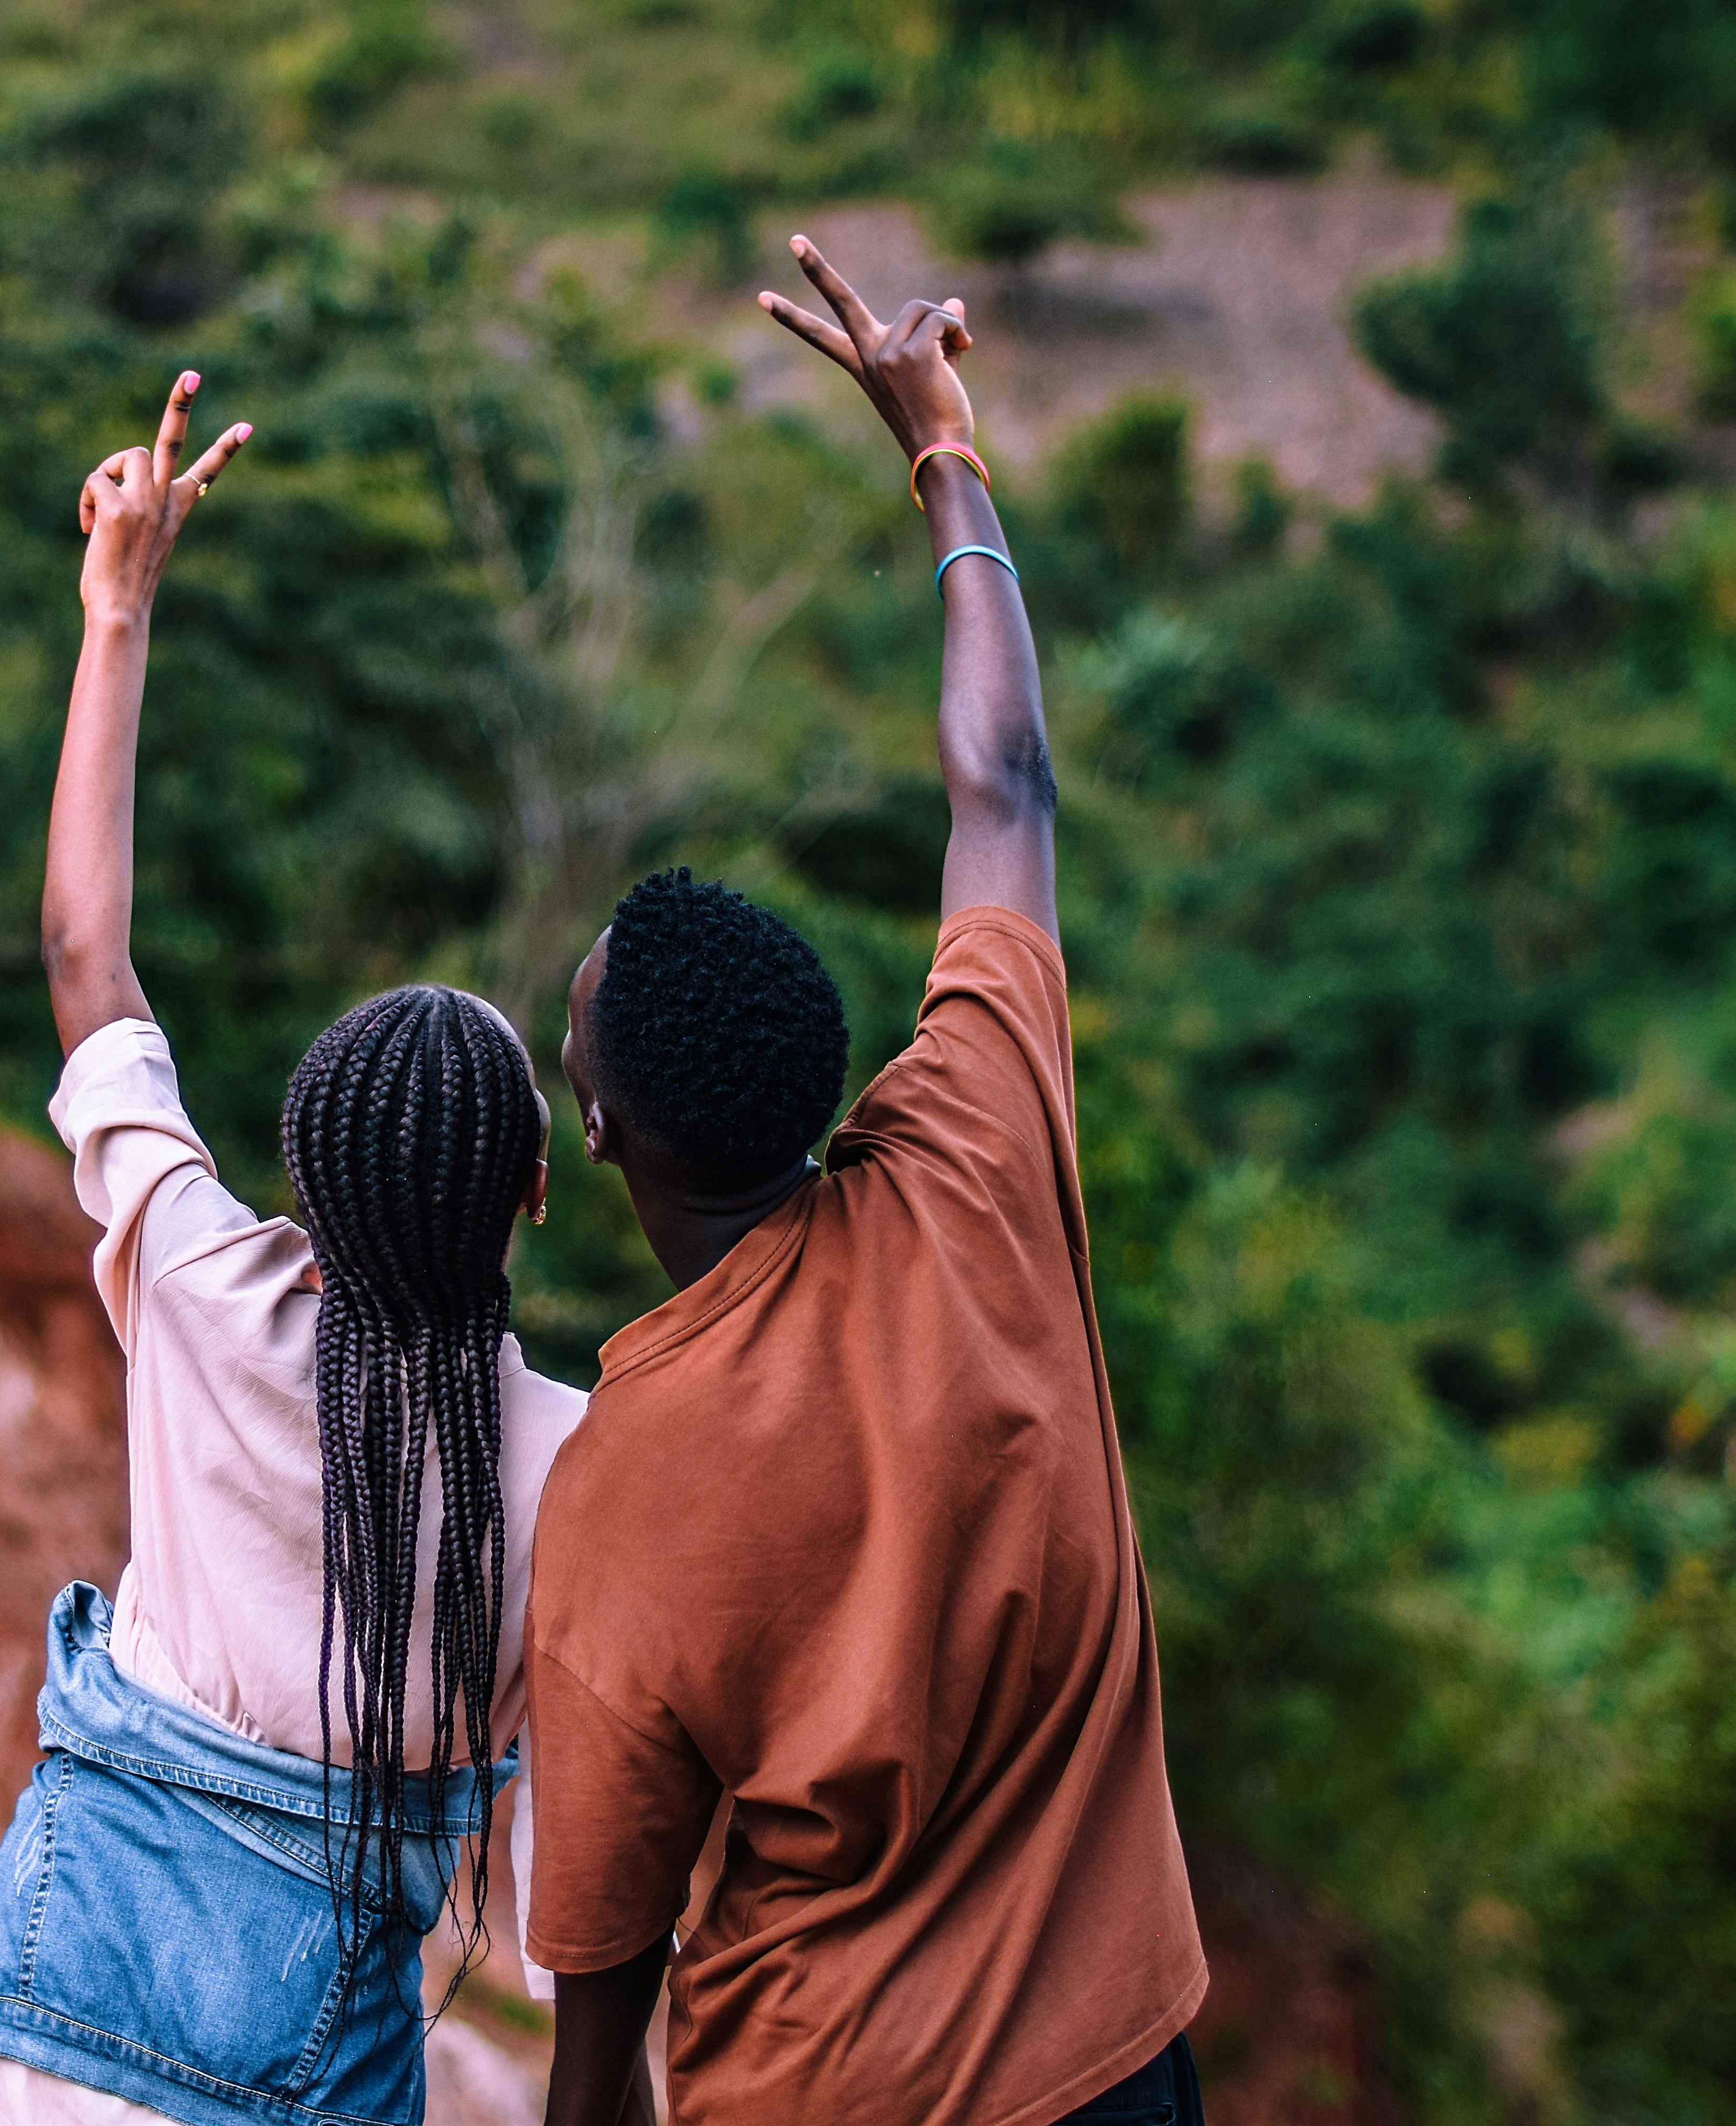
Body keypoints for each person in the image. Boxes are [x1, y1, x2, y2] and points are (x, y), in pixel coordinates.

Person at [0, 376, 595, 2126]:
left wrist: (118, 609)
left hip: (35, 2032)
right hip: (293, 2083)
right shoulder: (585, 1468)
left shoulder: (200, 1287)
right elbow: (575, 1905)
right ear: (537, 1199)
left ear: (302, 1190)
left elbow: (85, 963)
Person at [523, 238, 1208, 2126]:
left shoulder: (622, 1489)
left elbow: (599, 2031)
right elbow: (1007, 789)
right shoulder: (977, 1154)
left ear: (601, 1139)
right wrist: (944, 447)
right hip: (1124, 2066)